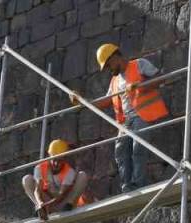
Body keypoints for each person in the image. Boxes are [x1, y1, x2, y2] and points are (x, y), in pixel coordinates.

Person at [69, 43, 169, 194]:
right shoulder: (114, 81)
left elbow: (161, 78)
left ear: (115, 57)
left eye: (108, 65)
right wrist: (83, 101)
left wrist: (140, 85)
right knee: (120, 151)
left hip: (142, 115)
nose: (109, 69)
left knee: (138, 148)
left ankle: (138, 184)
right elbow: (105, 101)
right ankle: (127, 186)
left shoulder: (139, 65)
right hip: (125, 121)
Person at [21, 139, 92, 220]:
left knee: (82, 176)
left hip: (63, 204)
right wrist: (40, 203)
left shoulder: (69, 172)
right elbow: (37, 190)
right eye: (54, 160)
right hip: (47, 203)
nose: (56, 164)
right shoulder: (40, 168)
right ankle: (40, 209)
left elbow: (60, 195)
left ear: (64, 159)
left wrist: (48, 205)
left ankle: (68, 206)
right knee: (27, 179)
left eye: (60, 160)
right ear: (49, 156)